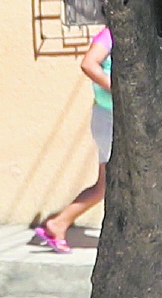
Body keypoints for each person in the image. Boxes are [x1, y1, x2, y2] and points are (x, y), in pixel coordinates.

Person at [35, 24, 112, 252]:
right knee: (105, 185)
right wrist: (116, 88)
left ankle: (58, 223)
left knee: (107, 185)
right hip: (110, 118)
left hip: (114, 117)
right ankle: (57, 223)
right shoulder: (110, 34)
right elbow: (88, 63)